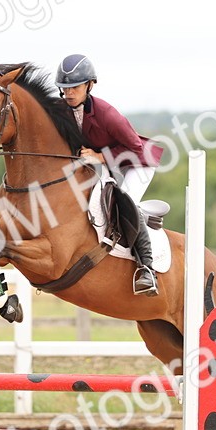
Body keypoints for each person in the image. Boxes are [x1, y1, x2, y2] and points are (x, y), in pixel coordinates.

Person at [56, 53, 163, 296]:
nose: (69, 93)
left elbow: (135, 148)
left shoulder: (107, 114)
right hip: (104, 162)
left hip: (137, 162)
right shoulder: (62, 109)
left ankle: (147, 269)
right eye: (64, 88)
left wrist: (101, 157)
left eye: (74, 87)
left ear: (89, 85)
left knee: (126, 203)